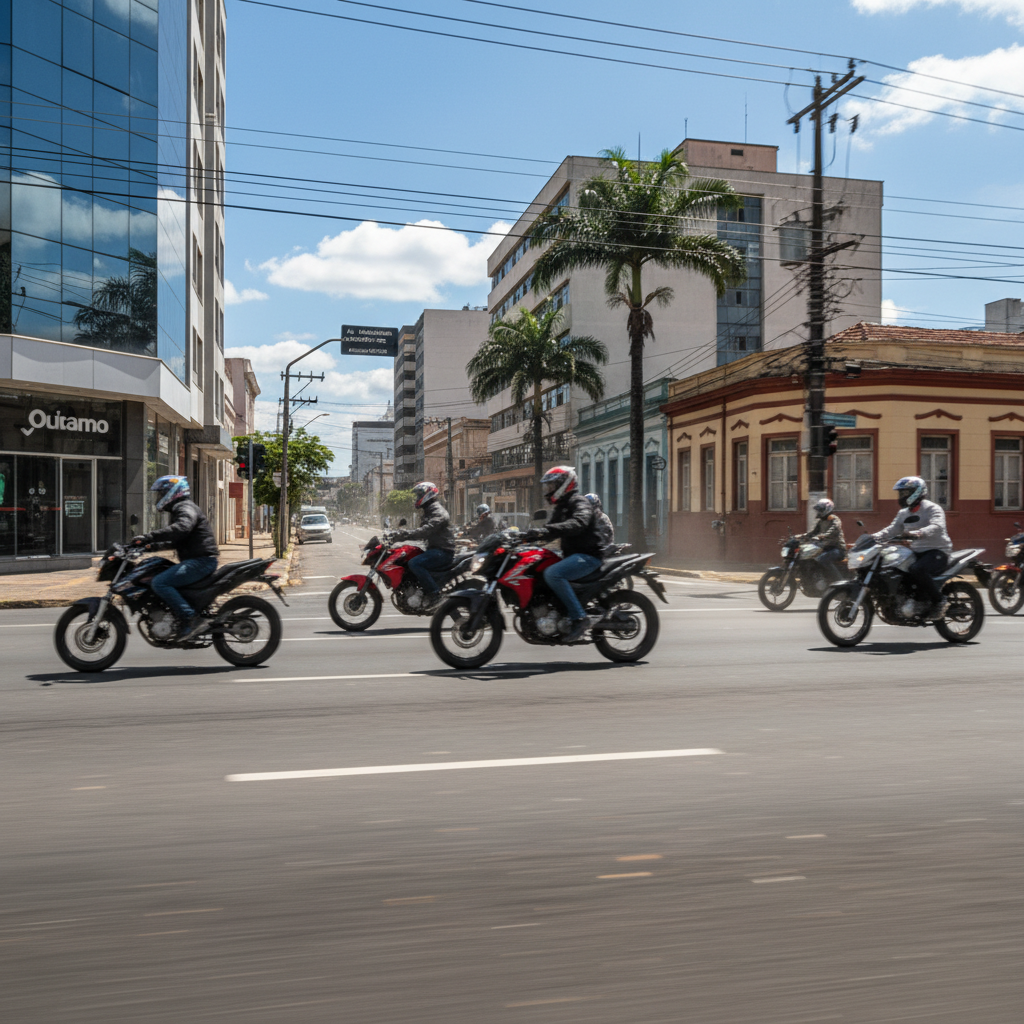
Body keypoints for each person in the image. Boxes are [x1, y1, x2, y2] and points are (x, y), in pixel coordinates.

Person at [526, 466, 611, 644]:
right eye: (548, 486)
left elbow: (578, 522)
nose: (548, 490)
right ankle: (557, 611)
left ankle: (580, 618)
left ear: (564, 484)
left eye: (551, 485)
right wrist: (526, 539)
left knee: (553, 573)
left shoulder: (579, 502)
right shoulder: (561, 507)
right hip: (574, 555)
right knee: (540, 567)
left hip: (588, 556)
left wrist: (547, 530)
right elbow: (549, 532)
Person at [131, 476, 219, 640]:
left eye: (161, 493)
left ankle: (192, 619)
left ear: (172, 492)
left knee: (160, 582)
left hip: (201, 561)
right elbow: (174, 539)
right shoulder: (180, 508)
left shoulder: (185, 507)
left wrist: (149, 536)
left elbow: (181, 528)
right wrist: (149, 546)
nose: (158, 498)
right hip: (198, 560)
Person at [873, 475, 953, 620]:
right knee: (895, 568)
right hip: (916, 552)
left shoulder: (932, 508)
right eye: (900, 493)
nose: (901, 496)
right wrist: (873, 537)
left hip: (937, 551)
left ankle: (939, 601)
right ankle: (911, 601)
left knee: (917, 569)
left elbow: (937, 526)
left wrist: (919, 533)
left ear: (916, 492)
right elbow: (892, 530)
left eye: (904, 493)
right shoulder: (903, 513)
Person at [393, 481, 456, 608]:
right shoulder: (429, 511)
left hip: (442, 552)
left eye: (419, 494)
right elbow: (422, 534)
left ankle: (435, 594)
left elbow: (426, 530)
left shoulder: (437, 511)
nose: (417, 498)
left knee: (414, 563)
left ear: (428, 493)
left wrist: (404, 534)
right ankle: (421, 590)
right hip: (435, 550)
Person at [802, 497, 847, 582]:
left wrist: (824, 535)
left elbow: (833, 529)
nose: (819, 512)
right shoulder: (821, 521)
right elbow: (813, 532)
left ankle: (839, 580)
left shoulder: (834, 519)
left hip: (837, 549)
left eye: (821, 509)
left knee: (823, 559)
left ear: (827, 509)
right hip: (825, 548)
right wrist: (802, 536)